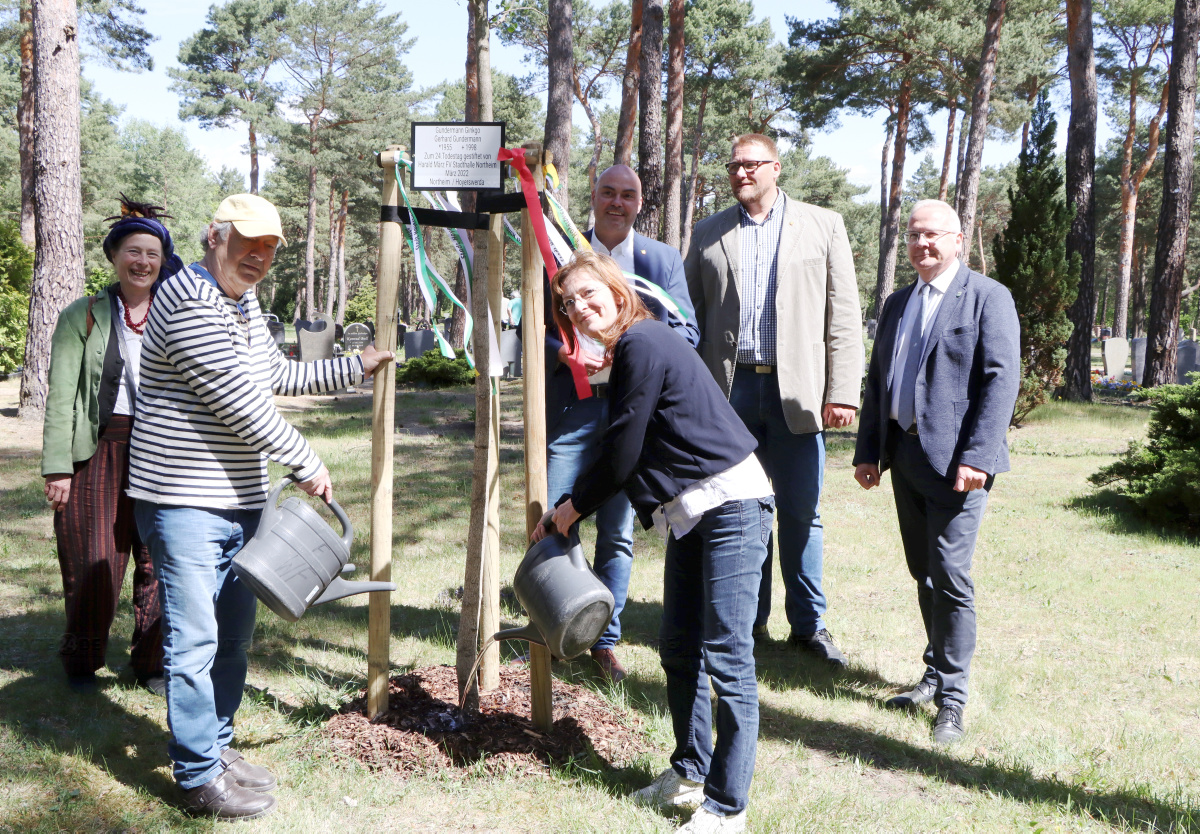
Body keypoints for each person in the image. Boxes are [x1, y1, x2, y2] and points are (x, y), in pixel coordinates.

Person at [127, 194, 393, 819]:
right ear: (214, 235)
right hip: (184, 502)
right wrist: (306, 460)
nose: (260, 256)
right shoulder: (185, 298)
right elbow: (238, 403)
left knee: (234, 641)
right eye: (249, 242)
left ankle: (216, 748)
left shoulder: (242, 302)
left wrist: (356, 363)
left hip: (242, 503)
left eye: (271, 247)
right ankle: (195, 777)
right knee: (194, 642)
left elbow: (274, 375)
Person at [534, 251, 771, 834]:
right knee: (678, 646)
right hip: (692, 512)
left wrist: (571, 510)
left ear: (618, 291)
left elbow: (623, 447)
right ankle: (690, 770)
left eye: (589, 295)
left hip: (732, 506)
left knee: (727, 657)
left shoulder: (644, 341)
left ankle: (727, 807)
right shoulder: (632, 349)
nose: (580, 309)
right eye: (568, 304)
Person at [685, 133, 862, 666]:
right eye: (734, 165)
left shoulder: (823, 225)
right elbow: (690, 321)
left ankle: (809, 625)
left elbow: (844, 317)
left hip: (798, 395)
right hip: (729, 397)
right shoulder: (708, 232)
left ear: (776, 169)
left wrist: (843, 393)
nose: (742, 173)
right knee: (740, 509)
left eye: (753, 164)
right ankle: (748, 621)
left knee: (801, 514)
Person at [852, 199, 1020, 744]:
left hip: (958, 465)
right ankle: (934, 670)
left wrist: (977, 455)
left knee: (950, 574)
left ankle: (953, 698)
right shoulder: (900, 301)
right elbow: (880, 379)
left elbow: (1001, 381)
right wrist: (868, 450)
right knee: (923, 570)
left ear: (958, 239)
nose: (922, 244)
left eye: (933, 236)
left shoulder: (988, 298)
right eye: (914, 235)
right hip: (904, 459)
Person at [541, 164, 700, 683]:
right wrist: (565, 356)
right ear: (592, 196)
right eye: (607, 192)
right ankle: (548, 628)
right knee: (554, 514)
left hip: (633, 409)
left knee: (618, 532)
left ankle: (603, 640)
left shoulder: (663, 259)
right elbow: (532, 329)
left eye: (627, 194)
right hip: (574, 408)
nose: (616, 202)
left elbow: (687, 332)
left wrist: (631, 354)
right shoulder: (559, 253)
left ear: (638, 202)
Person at [41, 198, 179, 696]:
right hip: (98, 450)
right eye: (133, 251)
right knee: (93, 559)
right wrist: (58, 468)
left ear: (163, 260)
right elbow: (60, 395)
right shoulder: (83, 315)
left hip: (162, 449)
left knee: (161, 559)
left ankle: (151, 663)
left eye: (152, 253)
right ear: (114, 256)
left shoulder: (175, 311)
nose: (143, 261)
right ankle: (82, 662)